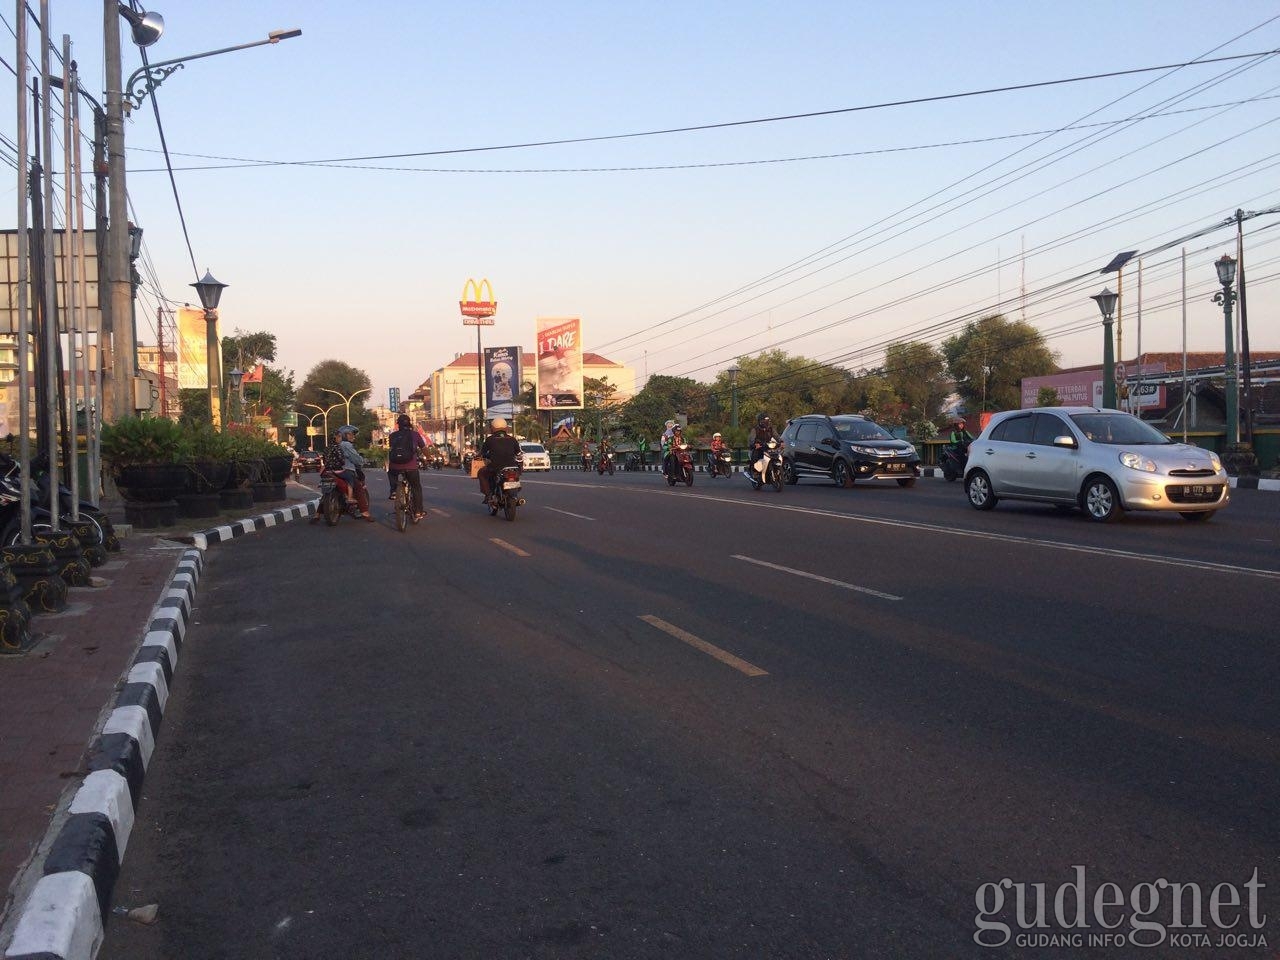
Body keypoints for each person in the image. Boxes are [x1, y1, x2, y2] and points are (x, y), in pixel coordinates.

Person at [386, 413, 426, 521]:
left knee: (391, 472)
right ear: (409, 423)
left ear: (398, 424)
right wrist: (429, 458)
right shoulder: (415, 434)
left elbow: (392, 449)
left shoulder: (392, 435)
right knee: (416, 487)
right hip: (411, 467)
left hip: (395, 465)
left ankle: (394, 491)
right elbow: (423, 448)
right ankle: (418, 512)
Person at [478, 417, 522, 504]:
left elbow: (482, 453)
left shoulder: (490, 439)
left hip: (495, 466)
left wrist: (479, 456)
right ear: (505, 428)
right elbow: (518, 452)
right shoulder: (512, 439)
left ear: (493, 428)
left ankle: (488, 495)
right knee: (516, 473)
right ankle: (515, 490)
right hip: (511, 466)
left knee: (481, 473)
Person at [335, 424, 373, 521]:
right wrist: (362, 461)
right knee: (359, 488)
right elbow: (355, 459)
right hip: (346, 470)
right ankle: (365, 512)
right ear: (345, 435)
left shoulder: (336, 444)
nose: (353, 436)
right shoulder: (346, 445)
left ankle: (317, 514)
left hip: (332, 471)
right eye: (351, 434)